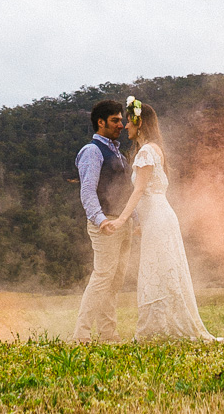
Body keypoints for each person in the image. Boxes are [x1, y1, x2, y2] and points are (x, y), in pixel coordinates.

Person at [103, 97, 224, 342]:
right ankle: (159, 329)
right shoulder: (156, 150)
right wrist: (142, 223)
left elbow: (140, 190)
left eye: (129, 123)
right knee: (161, 270)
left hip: (159, 218)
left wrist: (122, 220)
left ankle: (154, 331)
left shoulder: (145, 152)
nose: (125, 128)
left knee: (158, 271)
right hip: (159, 218)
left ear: (138, 122)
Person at [72, 98, 131, 342]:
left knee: (115, 281)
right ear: (101, 122)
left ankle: (108, 334)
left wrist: (133, 221)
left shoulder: (117, 152)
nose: (121, 124)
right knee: (102, 278)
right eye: (115, 120)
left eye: (121, 120)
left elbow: (126, 190)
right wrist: (100, 220)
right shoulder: (92, 151)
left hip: (123, 223)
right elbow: (87, 190)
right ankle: (81, 335)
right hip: (105, 223)